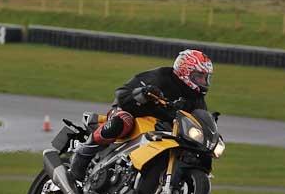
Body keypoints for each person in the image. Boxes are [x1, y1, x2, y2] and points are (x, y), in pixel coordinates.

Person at [69, 49, 213, 181]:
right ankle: (83, 153)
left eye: (206, 78)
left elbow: (200, 119)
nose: (203, 82)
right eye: (199, 76)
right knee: (124, 121)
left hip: (160, 127)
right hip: (133, 111)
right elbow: (122, 94)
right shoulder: (160, 76)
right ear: (185, 71)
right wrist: (143, 93)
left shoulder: (196, 98)